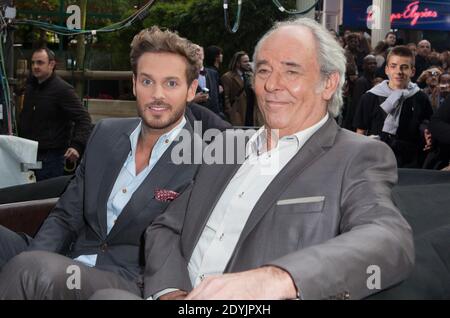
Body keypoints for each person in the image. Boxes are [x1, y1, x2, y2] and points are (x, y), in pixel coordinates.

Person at [94, 18, 414, 300]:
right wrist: (170, 291)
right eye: (263, 70)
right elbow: (166, 227)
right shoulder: (227, 144)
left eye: (291, 71)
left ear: (328, 83)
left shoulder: (356, 155)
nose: (272, 85)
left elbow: (389, 240)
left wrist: (279, 278)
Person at [0, 26, 204, 299]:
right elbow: (65, 215)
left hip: (126, 281)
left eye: (171, 83)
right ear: (133, 84)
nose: (157, 95)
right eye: (147, 81)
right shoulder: (105, 134)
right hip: (69, 257)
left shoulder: (202, 161)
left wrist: (33, 267)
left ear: (191, 90)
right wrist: (35, 257)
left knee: (34, 270)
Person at [19, 48, 92, 181]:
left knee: (45, 198)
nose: (35, 66)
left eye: (40, 63)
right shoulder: (30, 88)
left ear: (51, 65)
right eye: (33, 63)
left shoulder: (62, 90)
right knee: (26, 196)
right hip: (28, 154)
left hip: (51, 158)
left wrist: (77, 145)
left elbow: (83, 118)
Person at [354, 46, 433, 168]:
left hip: (410, 161)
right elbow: (360, 132)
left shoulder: (420, 97)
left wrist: (427, 135)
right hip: (376, 159)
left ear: (412, 71)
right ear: (386, 70)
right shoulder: (370, 97)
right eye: (393, 66)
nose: (399, 71)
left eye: (404, 67)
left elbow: (427, 123)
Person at [221, 51, 259, 126]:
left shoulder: (250, 75)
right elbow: (226, 98)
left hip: (251, 111)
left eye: (248, 61)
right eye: (245, 62)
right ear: (237, 63)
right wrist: (230, 113)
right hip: (238, 112)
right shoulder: (228, 77)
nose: (248, 63)